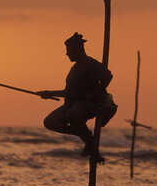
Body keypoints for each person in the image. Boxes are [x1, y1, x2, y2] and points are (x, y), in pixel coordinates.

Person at [37, 32, 116, 161]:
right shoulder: (75, 68)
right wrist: (49, 93)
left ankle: (93, 150)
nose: (67, 54)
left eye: (68, 50)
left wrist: (95, 92)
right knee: (50, 122)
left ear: (77, 49)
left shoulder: (90, 63)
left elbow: (108, 76)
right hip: (71, 104)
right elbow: (69, 92)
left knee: (72, 116)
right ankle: (86, 136)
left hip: (89, 103)